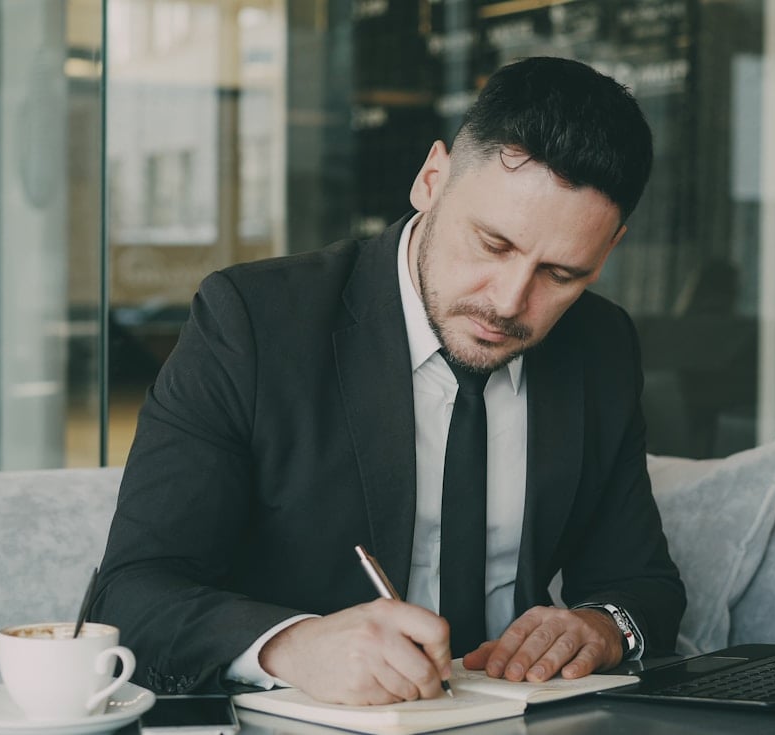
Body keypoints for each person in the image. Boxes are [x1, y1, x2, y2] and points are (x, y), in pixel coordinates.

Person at [93, 56, 686, 706]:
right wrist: (294, 644)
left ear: (608, 252)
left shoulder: (600, 345)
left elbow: (643, 582)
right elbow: (132, 592)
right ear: (432, 179)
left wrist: (600, 627)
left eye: (562, 274)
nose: (511, 301)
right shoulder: (256, 323)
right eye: (493, 244)